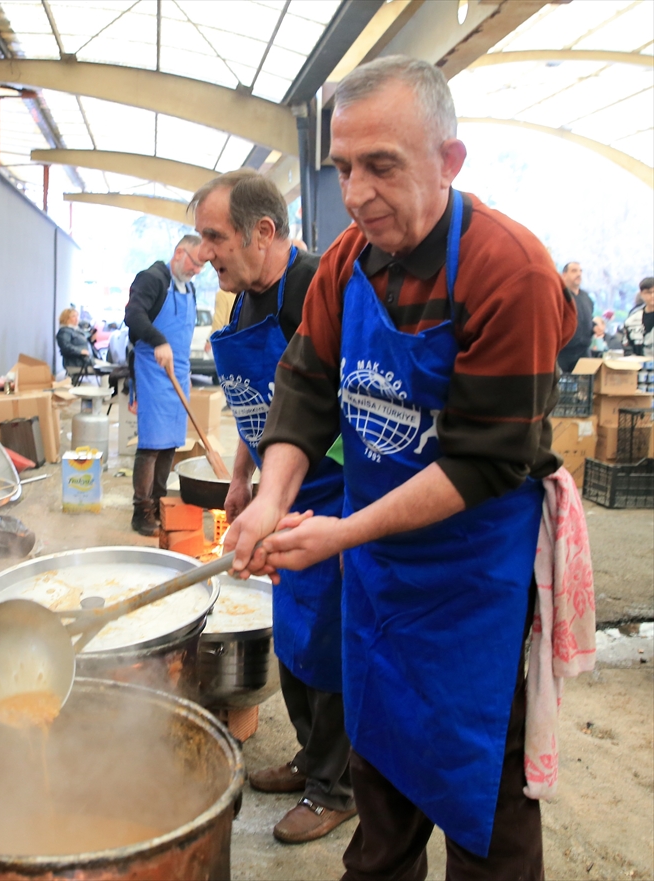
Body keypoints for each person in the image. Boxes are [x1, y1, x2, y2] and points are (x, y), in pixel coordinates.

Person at [224, 57, 577, 878]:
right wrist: (270, 496)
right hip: (381, 583)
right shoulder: (348, 263)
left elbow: (486, 461)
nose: (356, 193)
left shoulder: (508, 270)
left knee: (484, 813)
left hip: (471, 591)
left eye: (382, 165)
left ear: (449, 161)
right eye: (344, 167)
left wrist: (345, 529)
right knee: (380, 793)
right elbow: (305, 385)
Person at [193, 169, 353, 842]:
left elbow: (335, 403)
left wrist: (348, 513)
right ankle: (310, 756)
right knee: (290, 635)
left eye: (214, 236)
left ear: (262, 231)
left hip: (331, 494)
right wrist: (240, 475)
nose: (205, 252)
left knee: (330, 640)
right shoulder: (241, 305)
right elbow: (255, 398)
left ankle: (336, 788)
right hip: (276, 490)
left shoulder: (319, 287)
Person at [124, 234, 204, 535]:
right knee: (151, 444)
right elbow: (133, 316)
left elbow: (182, 339)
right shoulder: (154, 278)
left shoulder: (191, 288)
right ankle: (141, 509)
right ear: (179, 252)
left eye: (202, 266)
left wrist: (188, 376)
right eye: (195, 263)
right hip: (152, 368)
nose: (197, 270)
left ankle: (159, 500)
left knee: (171, 443)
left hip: (178, 372)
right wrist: (157, 340)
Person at [557, 261, 593, 373]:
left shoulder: (586, 298)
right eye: (574, 271)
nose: (578, 274)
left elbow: (588, 320)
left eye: (580, 271)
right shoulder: (559, 296)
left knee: (585, 386)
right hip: (563, 352)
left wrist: (595, 326)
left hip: (583, 352)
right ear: (564, 275)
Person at [622, 276, 654, 356]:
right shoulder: (633, 318)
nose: (653, 295)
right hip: (638, 364)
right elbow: (627, 344)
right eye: (648, 292)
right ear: (641, 294)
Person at [56, 307, 93, 371]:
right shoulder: (64, 331)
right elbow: (65, 347)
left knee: (107, 368)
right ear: (66, 319)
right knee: (107, 370)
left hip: (84, 361)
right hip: (76, 363)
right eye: (73, 316)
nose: (77, 319)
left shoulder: (74, 330)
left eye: (77, 316)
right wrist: (81, 351)